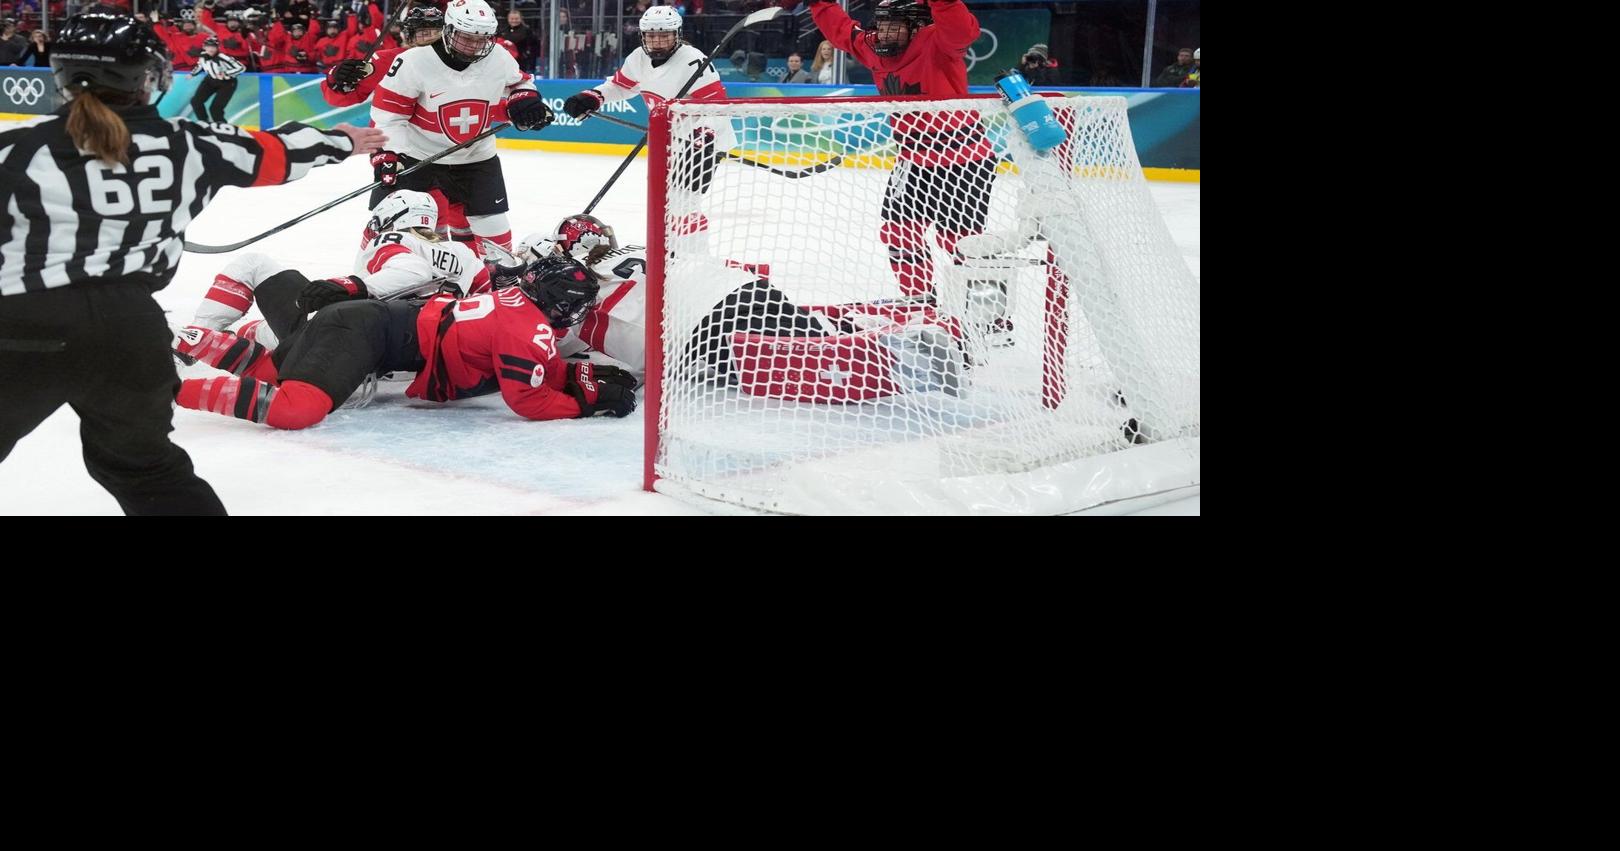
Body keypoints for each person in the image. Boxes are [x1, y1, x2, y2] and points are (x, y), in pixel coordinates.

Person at [0, 12, 384, 515]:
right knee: (147, 469)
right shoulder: (188, 144)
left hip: (24, 323)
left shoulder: (17, 150)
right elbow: (274, 151)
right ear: (148, 77)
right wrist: (344, 142)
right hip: (130, 330)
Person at [172, 248, 634, 428]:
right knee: (296, 409)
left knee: (267, 371)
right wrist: (582, 401)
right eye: (577, 304)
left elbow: (536, 362)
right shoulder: (527, 328)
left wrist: (571, 373)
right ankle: (165, 391)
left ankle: (181, 339)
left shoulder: (518, 303)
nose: (579, 315)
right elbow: (527, 401)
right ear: (560, 300)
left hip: (364, 323)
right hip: (364, 332)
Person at [808, 0, 996, 302]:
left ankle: (987, 312)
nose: (883, 32)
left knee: (960, 242)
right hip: (912, 160)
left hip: (965, 160)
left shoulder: (939, 42)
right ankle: (918, 300)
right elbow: (842, 30)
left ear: (918, 26)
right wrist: (818, 3)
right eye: (881, 24)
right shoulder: (873, 47)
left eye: (893, 25)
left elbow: (962, 30)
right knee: (899, 232)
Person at [369, 0, 553, 254]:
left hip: (477, 157)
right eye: (467, 38)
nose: (475, 46)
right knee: (395, 222)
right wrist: (387, 154)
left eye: (482, 39)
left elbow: (520, 84)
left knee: (493, 224)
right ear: (448, 29)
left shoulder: (498, 56)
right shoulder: (412, 61)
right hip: (418, 155)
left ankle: (499, 278)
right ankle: (388, 271)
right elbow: (388, 116)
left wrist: (525, 100)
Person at [560, 5, 727, 239]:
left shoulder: (693, 61)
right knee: (662, 200)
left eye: (664, 35)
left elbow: (718, 106)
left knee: (681, 203)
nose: (657, 42)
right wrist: (594, 96)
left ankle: (691, 255)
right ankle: (669, 253)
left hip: (703, 142)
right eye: (651, 36)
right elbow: (620, 87)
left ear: (677, 34)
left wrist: (704, 133)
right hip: (668, 139)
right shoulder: (638, 57)